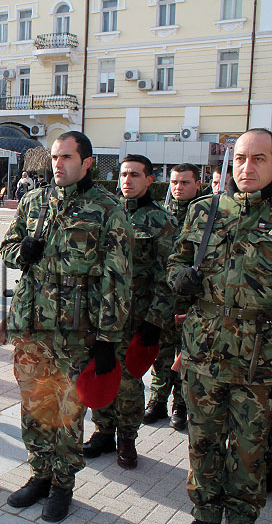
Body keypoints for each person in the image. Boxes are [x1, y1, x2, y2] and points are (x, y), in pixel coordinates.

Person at [0, 131, 133, 522]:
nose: (58, 164)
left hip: (78, 328)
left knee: (68, 409)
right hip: (32, 324)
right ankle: (39, 473)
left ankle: (63, 483)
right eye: (55, 157)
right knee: (34, 402)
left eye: (67, 157)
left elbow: (118, 278)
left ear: (87, 162)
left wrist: (108, 339)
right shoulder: (34, 201)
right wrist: (21, 252)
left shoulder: (107, 209)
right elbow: (8, 249)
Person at [168, 128, 272, 524]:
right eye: (242, 158)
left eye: (259, 159)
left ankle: (242, 515)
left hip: (258, 360)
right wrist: (179, 278)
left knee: (250, 448)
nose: (247, 167)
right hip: (204, 350)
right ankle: (205, 511)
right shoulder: (206, 210)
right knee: (203, 442)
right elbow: (177, 260)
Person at [83, 154, 176, 469]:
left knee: (128, 381)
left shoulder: (160, 221)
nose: (127, 180)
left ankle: (126, 437)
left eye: (135, 175)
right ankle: (103, 431)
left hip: (135, 316)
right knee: (100, 371)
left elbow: (168, 275)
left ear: (149, 180)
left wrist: (155, 320)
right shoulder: (107, 213)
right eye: (123, 174)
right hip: (99, 311)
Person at [144, 163, 201, 430]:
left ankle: (181, 404)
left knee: (186, 355)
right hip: (163, 300)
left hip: (192, 303)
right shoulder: (161, 215)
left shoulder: (206, 218)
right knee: (162, 354)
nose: (178, 187)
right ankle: (157, 401)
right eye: (175, 182)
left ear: (197, 185)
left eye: (184, 183)